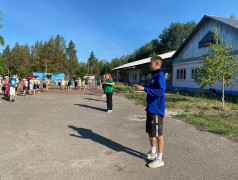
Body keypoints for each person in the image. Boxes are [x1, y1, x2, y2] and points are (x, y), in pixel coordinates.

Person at [133, 56, 165, 168]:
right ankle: (153, 152)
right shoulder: (154, 76)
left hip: (156, 110)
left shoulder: (160, 75)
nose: (149, 65)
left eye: (150, 63)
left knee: (158, 134)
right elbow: (152, 89)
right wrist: (142, 87)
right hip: (150, 108)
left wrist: (144, 89)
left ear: (156, 63)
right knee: (150, 132)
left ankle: (160, 159)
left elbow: (161, 91)